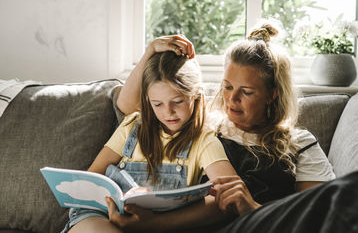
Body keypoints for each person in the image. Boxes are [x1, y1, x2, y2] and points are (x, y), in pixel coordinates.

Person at [106, 24, 338, 232]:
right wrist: (150, 52)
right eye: (227, 87)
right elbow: (128, 105)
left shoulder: (300, 144)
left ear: (272, 94)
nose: (232, 99)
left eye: (246, 92)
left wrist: (252, 208)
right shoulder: (203, 124)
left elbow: (316, 220)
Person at [63, 44, 237, 233]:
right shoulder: (132, 126)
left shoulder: (204, 141)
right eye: (158, 104)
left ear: (195, 97)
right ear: (148, 101)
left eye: (177, 102)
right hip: (100, 215)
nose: (168, 112)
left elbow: (230, 197)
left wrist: (155, 223)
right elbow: (94, 175)